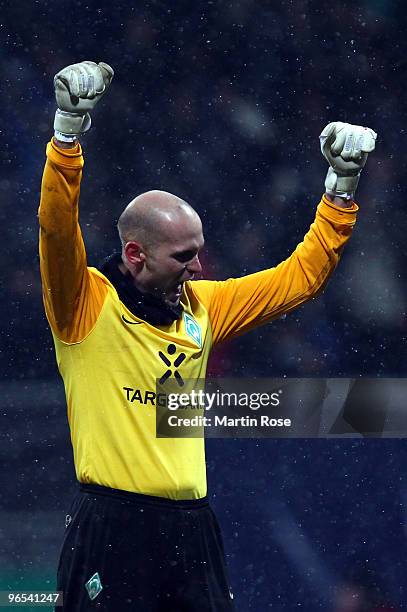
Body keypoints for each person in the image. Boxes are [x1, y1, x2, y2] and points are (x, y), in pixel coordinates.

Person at [38, 61, 377, 611]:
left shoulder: (205, 306)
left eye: (199, 251)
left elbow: (299, 278)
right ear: (134, 254)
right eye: (184, 255)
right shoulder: (83, 304)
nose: (198, 267)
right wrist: (68, 135)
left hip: (192, 529)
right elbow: (56, 229)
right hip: (113, 525)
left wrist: (339, 195)